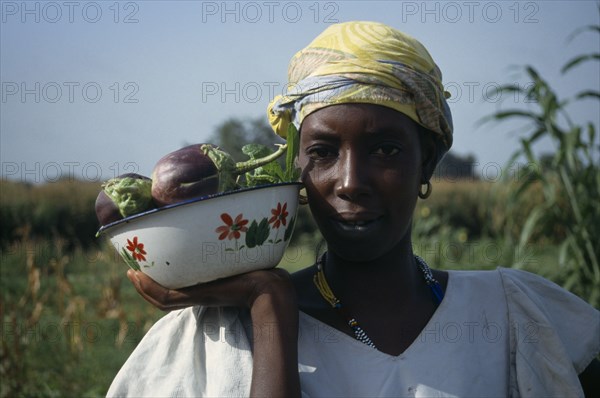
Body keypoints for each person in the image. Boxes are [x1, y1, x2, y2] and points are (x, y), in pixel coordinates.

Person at [107, 21, 599, 397]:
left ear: (426, 162)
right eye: (322, 153)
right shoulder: (214, 339)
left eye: (385, 150)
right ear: (295, 172)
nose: (350, 182)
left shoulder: (515, 317)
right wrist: (268, 302)